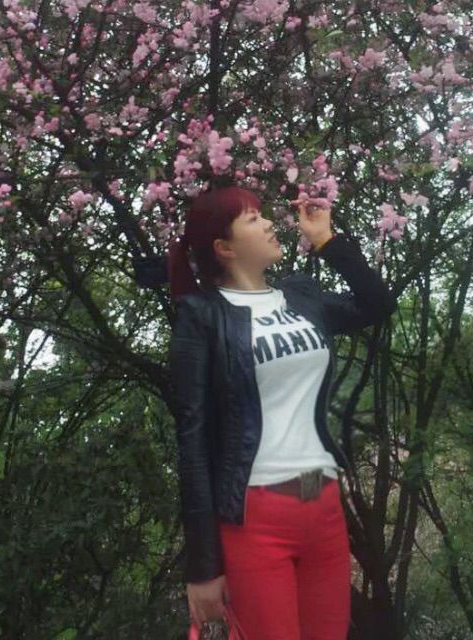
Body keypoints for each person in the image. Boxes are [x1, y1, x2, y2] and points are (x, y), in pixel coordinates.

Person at [167, 184, 397, 640]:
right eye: (254, 219)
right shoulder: (202, 317)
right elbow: (192, 439)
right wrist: (203, 566)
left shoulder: (301, 296)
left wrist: (328, 241)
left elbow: (378, 304)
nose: (271, 222)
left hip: (322, 502)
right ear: (225, 247)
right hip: (256, 516)